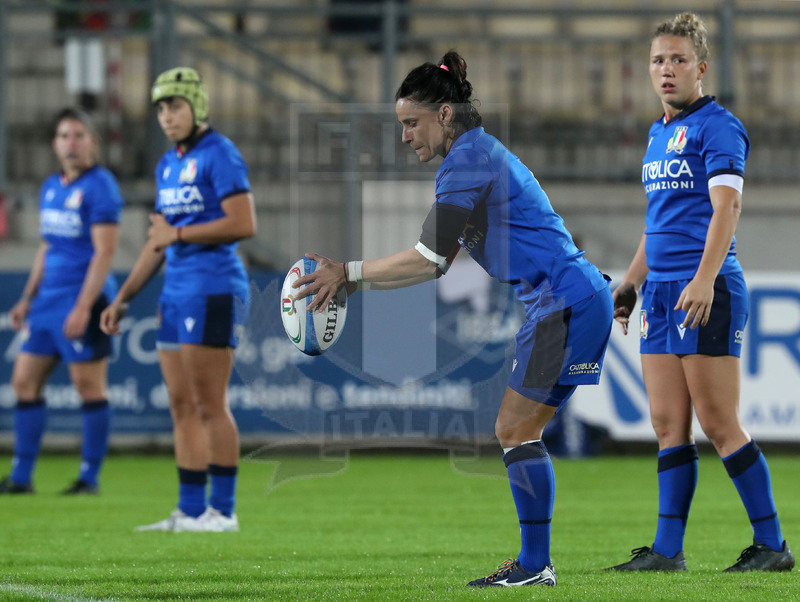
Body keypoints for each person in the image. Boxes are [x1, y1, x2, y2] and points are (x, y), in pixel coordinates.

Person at [294, 50, 613, 588]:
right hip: (568, 297)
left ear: (445, 114)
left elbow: (427, 259)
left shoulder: (469, 160)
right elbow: (434, 266)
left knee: (514, 428)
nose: (404, 137)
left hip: (564, 300)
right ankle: (536, 564)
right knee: (518, 429)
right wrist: (353, 279)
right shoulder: (475, 156)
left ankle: (536, 566)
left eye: (410, 123)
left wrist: (348, 272)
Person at [608, 13, 794, 573]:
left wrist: (705, 278)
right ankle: (667, 552)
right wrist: (631, 283)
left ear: (701, 68)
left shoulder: (720, 127)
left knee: (718, 423)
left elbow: (727, 208)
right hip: (662, 292)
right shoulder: (657, 132)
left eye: (678, 60)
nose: (667, 70)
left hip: (705, 289)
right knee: (667, 425)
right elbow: (658, 221)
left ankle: (773, 546)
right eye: (658, 60)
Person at [100, 67, 256, 532]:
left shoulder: (220, 153)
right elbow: (159, 242)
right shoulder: (168, 163)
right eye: (161, 109)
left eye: (175, 106)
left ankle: (222, 512)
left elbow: (244, 223)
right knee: (181, 404)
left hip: (213, 289)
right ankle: (189, 510)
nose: (167, 116)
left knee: (210, 404)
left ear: (197, 107)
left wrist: (180, 231)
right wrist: (124, 296)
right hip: (175, 292)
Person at [0, 108, 122, 495]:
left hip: (82, 298)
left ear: (93, 142)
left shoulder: (102, 186)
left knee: (88, 387)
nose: (71, 143)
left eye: (79, 135)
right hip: (47, 303)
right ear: (55, 144)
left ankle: (90, 477)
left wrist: (85, 306)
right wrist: (26, 298)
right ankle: (21, 477)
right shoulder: (51, 186)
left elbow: (104, 253)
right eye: (64, 136)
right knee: (23, 382)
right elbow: (46, 246)